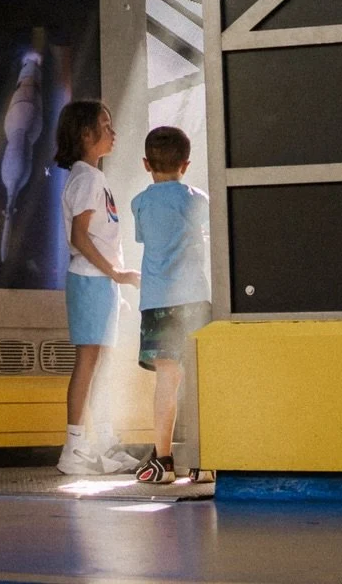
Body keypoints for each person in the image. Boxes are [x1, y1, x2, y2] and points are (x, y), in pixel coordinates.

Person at [54, 98, 141, 476]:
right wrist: (117, 274)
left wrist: (114, 282)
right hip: (91, 281)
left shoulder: (91, 176)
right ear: (86, 135)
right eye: (106, 126)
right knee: (89, 363)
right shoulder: (87, 178)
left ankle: (103, 443)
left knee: (99, 365)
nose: (113, 131)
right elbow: (81, 237)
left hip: (97, 283)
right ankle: (73, 448)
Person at [130, 124, 211, 484]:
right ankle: (205, 461)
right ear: (187, 164)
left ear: (146, 164)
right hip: (194, 300)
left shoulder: (140, 203)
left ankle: (163, 460)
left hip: (157, 301)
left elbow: (145, 238)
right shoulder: (197, 199)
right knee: (199, 380)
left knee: (167, 380)